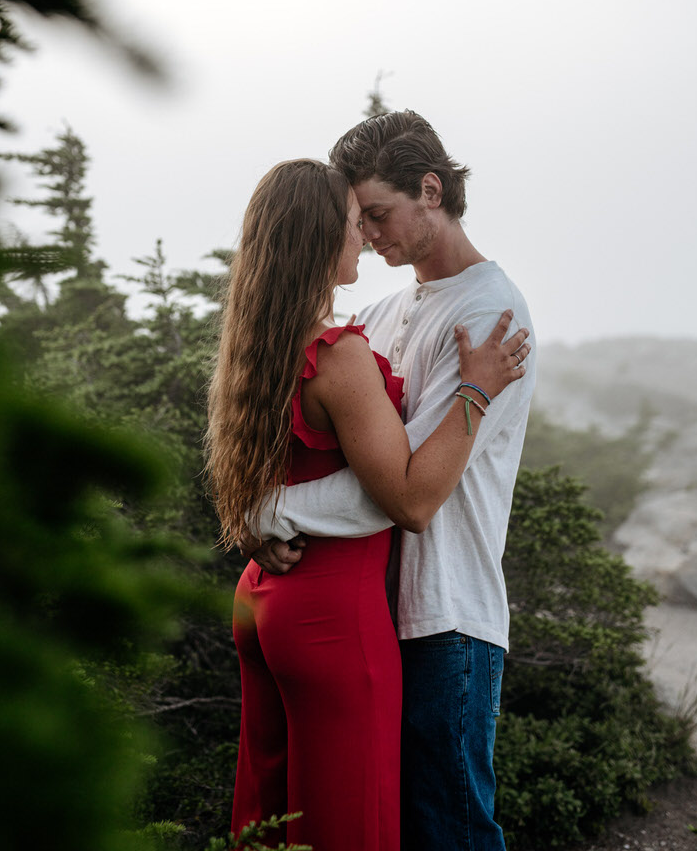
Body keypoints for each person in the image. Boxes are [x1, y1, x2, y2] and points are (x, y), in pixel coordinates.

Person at [205, 157, 530, 851]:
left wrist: (271, 512)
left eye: (372, 215)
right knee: (354, 825)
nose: (366, 236)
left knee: (278, 817)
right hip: (336, 613)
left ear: (431, 192)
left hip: (286, 600)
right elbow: (408, 495)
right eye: (356, 222)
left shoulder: (272, 335)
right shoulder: (350, 340)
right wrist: (474, 391)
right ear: (321, 236)